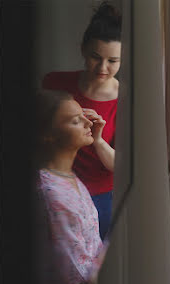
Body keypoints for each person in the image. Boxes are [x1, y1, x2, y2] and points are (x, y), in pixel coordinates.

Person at [42, 1, 120, 240]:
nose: (103, 68)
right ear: (83, 49)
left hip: (101, 197)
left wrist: (97, 140)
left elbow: (120, 166)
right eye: (96, 57)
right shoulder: (54, 83)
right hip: (53, 189)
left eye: (113, 61)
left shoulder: (127, 100)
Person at [35, 89, 109, 284]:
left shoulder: (70, 178)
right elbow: (73, 268)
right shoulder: (49, 192)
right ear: (48, 135)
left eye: (84, 117)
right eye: (76, 121)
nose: (88, 124)